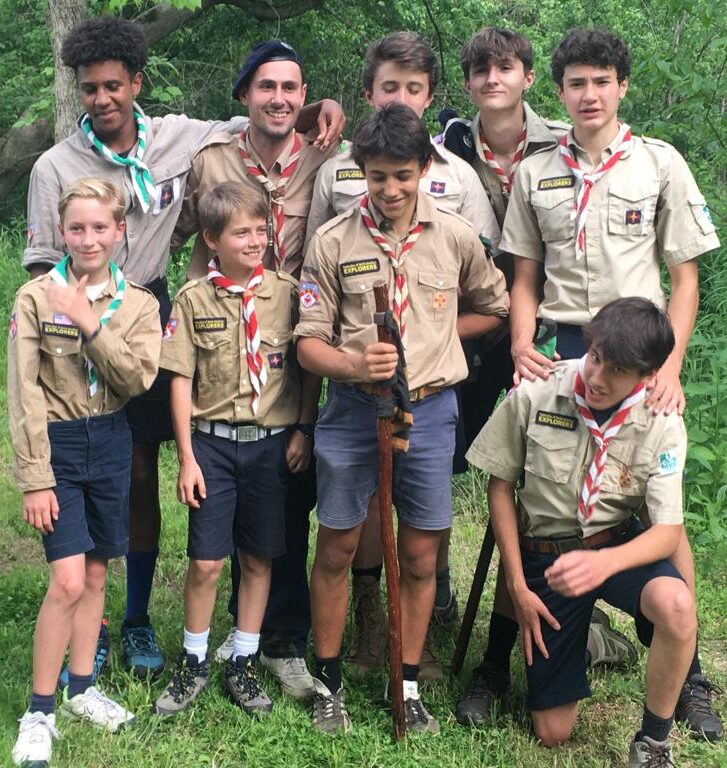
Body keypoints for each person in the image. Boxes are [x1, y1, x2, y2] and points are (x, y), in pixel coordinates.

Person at [23, 16, 344, 682]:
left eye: (114, 85)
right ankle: (98, 620)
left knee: (140, 471)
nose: (103, 99)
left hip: (146, 308)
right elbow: (40, 267)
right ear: (78, 91)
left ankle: (136, 616)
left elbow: (259, 120)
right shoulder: (56, 167)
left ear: (136, 82)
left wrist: (319, 108)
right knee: (106, 468)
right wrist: (69, 329)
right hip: (77, 315)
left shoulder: (179, 137)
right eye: (89, 89)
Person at [499, 27, 722, 742]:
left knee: (656, 498)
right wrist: (519, 346)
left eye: (601, 81)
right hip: (568, 345)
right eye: (575, 83)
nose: (588, 94)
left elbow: (683, 275)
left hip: (640, 349)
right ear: (556, 91)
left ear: (621, 85)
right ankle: (506, 651)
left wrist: (670, 369)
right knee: (538, 496)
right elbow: (524, 277)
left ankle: (688, 676)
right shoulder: (536, 171)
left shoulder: (657, 164)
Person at [295, 103, 509, 733]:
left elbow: (494, 309)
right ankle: (330, 682)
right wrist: (355, 365)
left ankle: (408, 681)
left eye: (402, 176)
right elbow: (308, 341)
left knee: (420, 553)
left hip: (432, 411)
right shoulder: (332, 242)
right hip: (353, 410)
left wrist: (436, 339)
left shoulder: (456, 237)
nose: (389, 190)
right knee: (336, 543)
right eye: (377, 176)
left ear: (423, 169)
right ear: (360, 170)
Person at [174, 39, 340, 700]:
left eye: (291, 89)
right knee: (225, 518)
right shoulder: (211, 159)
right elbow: (192, 237)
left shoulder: (325, 161)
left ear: (303, 100)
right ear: (244, 94)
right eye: (265, 87)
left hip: (294, 348)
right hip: (222, 341)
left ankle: (279, 641)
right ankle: (231, 640)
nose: (278, 98)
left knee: (283, 512)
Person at [467, 298, 697, 766]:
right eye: (595, 357)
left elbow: (667, 532)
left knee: (676, 605)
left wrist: (602, 563)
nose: (596, 377)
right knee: (553, 732)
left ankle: (653, 742)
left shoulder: (662, 421)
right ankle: (597, 641)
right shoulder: (540, 389)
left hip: (613, 544)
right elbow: (500, 486)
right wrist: (516, 581)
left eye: (616, 370)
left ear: (648, 376)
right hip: (547, 555)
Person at [8, 178, 161, 767]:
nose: (89, 238)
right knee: (67, 581)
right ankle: (39, 710)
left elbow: (137, 380)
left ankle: (81, 689)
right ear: (61, 232)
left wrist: (91, 324)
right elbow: (23, 394)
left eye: (101, 227)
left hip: (113, 438)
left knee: (97, 574)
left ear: (120, 231)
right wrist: (35, 476)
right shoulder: (35, 297)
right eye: (77, 228)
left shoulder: (141, 304)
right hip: (60, 444)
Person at [154, 182, 317, 716]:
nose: (255, 241)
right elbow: (180, 378)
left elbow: (307, 366)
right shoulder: (192, 298)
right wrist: (186, 457)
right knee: (206, 562)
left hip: (271, 447)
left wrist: (303, 429)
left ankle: (244, 660)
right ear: (211, 239)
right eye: (240, 233)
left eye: (261, 230)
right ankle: (194, 659)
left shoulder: (289, 294)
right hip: (213, 448)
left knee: (260, 556)